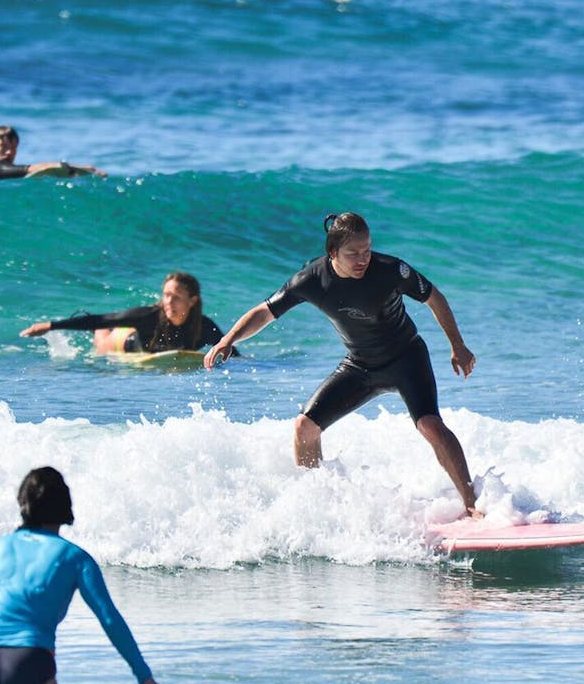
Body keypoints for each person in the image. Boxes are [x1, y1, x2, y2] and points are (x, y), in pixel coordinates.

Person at [204, 213, 482, 518]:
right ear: (333, 253)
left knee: (430, 425)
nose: (363, 258)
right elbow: (266, 311)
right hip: (360, 366)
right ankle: (316, 507)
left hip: (406, 358)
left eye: (367, 250)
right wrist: (228, 339)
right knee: (304, 427)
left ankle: (472, 504)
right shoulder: (312, 279)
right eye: (354, 253)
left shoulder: (391, 270)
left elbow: (434, 298)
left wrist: (458, 345)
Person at [0, 466, 180, 684]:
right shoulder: (74, 557)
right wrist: (143, 676)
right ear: (65, 505)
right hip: (28, 662)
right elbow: (109, 619)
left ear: (23, 504)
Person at [20, 271, 231, 355]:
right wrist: (50, 326)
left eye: (175, 297)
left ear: (192, 301)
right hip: (126, 343)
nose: (168, 302)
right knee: (102, 341)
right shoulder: (149, 316)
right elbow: (101, 318)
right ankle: (101, 335)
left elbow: (228, 350)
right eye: (166, 295)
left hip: (154, 350)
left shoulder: (203, 326)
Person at [0, 125, 105, 180]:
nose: (9, 153)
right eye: (3, 147)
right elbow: (35, 168)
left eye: (14, 148)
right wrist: (81, 169)